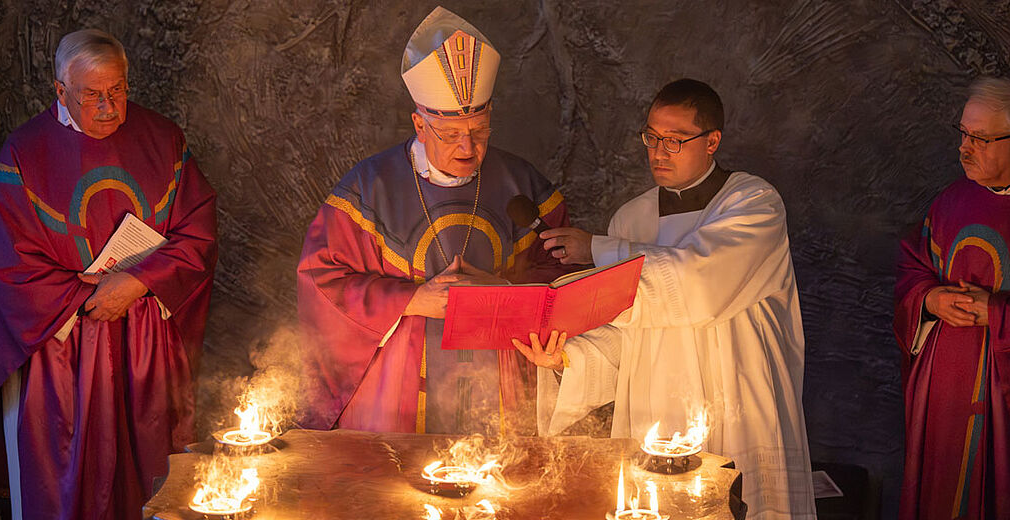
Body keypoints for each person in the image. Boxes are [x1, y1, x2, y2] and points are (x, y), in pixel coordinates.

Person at [516, 79, 816, 518]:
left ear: (712, 141)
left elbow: (697, 281)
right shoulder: (631, 218)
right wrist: (567, 358)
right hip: (655, 404)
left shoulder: (754, 203)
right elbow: (627, 333)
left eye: (675, 140)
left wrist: (597, 249)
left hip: (736, 399)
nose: (658, 151)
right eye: (652, 137)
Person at [296, 6, 575, 435]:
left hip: (500, 386)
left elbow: (566, 273)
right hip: (399, 389)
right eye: (450, 134)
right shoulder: (368, 190)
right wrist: (411, 300)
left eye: (480, 131)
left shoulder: (524, 184)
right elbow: (321, 280)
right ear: (419, 124)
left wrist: (501, 291)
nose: (468, 147)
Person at [0, 29, 217, 520]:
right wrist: (86, 298)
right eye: (93, 96)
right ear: (60, 90)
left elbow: (198, 234)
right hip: (61, 351)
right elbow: (11, 265)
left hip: (145, 343)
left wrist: (136, 282)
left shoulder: (164, 140)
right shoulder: (25, 152)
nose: (109, 108)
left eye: (119, 91)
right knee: (65, 485)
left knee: (148, 477)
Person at [894, 77, 1010, 519]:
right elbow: (912, 269)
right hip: (947, 393)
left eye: (981, 138)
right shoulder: (952, 201)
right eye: (963, 133)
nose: (964, 148)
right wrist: (930, 298)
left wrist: (996, 312)